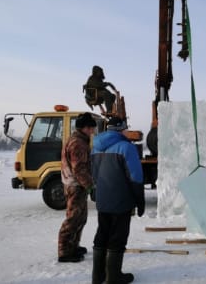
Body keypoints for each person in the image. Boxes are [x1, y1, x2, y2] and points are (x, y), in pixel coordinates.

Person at [91, 117, 145, 284]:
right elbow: (136, 178)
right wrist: (140, 201)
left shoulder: (95, 148)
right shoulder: (127, 148)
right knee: (118, 237)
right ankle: (114, 277)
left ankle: (98, 276)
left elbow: (94, 175)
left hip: (103, 201)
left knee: (102, 234)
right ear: (122, 129)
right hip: (121, 202)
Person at [57, 112, 97, 263]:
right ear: (85, 128)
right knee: (73, 218)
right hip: (75, 185)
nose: (93, 131)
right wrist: (90, 187)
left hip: (76, 184)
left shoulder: (79, 140)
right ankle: (64, 251)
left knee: (81, 217)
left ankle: (73, 245)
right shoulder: (78, 143)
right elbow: (79, 169)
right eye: (91, 128)